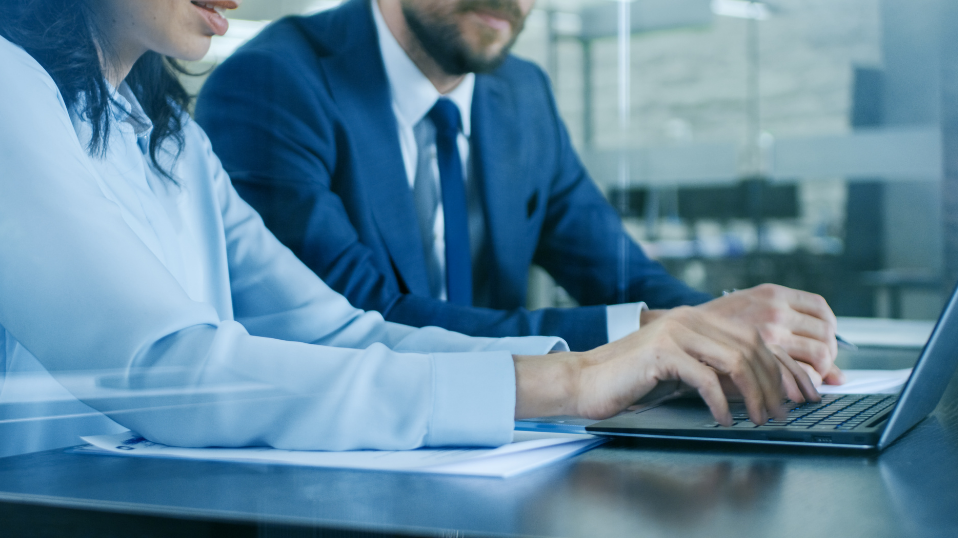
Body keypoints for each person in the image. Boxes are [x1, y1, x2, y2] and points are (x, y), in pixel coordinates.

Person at [0, 0, 818, 455]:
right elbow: (173, 372)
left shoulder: (166, 132)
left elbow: (341, 332)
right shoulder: (10, 87)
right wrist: (568, 385)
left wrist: (632, 357)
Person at [194, 0, 846, 387]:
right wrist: (654, 332)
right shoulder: (273, 82)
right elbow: (351, 325)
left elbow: (618, 274)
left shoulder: (522, 95)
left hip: (508, 455)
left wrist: (735, 334)